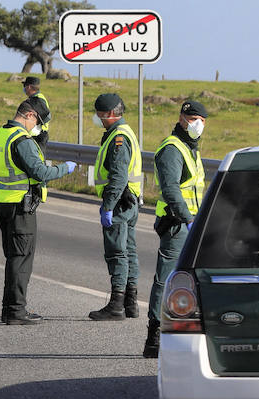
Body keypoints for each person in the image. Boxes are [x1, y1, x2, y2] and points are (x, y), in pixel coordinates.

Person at [0, 99, 76, 324]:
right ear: (29, 115)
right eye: (37, 122)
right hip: (20, 205)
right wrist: (64, 168)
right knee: (21, 259)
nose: (36, 127)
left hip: (2, 201)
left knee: (13, 257)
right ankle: (16, 311)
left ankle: (9, 309)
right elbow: (40, 172)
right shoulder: (21, 140)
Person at [145, 99, 209, 357]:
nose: (197, 125)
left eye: (201, 121)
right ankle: (154, 335)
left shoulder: (191, 148)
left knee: (193, 281)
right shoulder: (172, 148)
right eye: (193, 119)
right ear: (182, 119)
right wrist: (188, 219)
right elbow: (171, 189)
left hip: (193, 224)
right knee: (166, 279)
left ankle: (186, 333)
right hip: (177, 224)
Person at [87, 93, 143, 323]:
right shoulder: (124, 131)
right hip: (130, 201)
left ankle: (116, 305)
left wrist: (108, 206)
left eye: (100, 114)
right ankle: (131, 303)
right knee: (129, 251)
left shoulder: (118, 137)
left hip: (119, 203)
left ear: (110, 113)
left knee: (117, 253)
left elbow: (118, 176)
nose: (97, 118)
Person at [21, 75, 50, 148]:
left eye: (24, 86)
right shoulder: (39, 97)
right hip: (37, 136)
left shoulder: (37, 99)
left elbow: (47, 116)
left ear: (29, 87)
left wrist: (36, 124)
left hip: (37, 137)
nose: (24, 88)